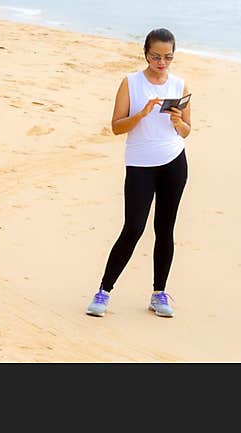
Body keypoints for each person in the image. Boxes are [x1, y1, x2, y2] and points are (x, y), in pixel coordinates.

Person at [86, 28, 191, 318]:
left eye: (168, 57)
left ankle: (159, 294)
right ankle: (103, 291)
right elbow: (117, 127)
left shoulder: (179, 85)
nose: (161, 62)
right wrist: (141, 114)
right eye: (156, 56)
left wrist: (178, 121)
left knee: (165, 229)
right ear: (145, 53)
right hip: (140, 165)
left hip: (173, 162)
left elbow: (186, 131)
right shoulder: (131, 83)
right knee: (133, 227)